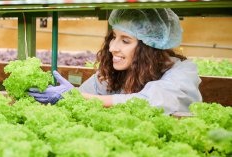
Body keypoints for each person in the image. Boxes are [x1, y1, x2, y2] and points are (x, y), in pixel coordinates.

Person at [28, 8, 202, 115]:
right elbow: (85, 96)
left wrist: (78, 97)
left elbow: (154, 102)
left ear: (149, 48)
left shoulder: (182, 72)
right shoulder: (113, 74)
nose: (112, 48)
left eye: (125, 40)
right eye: (113, 37)